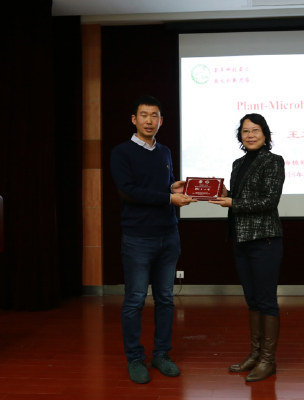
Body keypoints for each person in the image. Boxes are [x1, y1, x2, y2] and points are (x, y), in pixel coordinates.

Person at [110, 95, 197, 384]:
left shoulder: (165, 151)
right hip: (138, 238)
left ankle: (161, 354)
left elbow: (157, 188)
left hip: (169, 235)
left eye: (155, 116)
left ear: (161, 120)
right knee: (135, 300)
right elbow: (129, 191)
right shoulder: (121, 152)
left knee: (166, 299)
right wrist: (169, 198)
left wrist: (173, 187)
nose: (149, 121)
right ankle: (135, 358)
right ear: (134, 119)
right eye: (144, 115)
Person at [209, 113, 285, 382]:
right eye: (245, 131)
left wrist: (233, 203)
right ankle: (255, 354)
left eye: (255, 130)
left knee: (266, 301)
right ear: (240, 136)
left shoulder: (273, 161)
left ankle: (268, 360)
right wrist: (222, 193)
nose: (250, 135)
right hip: (241, 239)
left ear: (265, 134)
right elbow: (240, 197)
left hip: (265, 240)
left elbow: (269, 201)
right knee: (252, 300)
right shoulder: (238, 163)